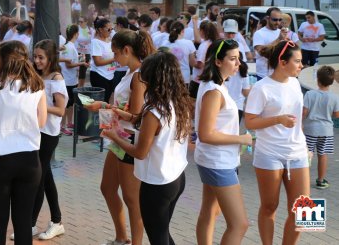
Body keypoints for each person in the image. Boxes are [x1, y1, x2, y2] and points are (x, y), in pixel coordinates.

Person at [102, 51, 192, 245]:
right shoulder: (176, 103)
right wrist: (116, 111)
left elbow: (140, 153)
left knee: (158, 238)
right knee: (163, 234)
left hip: (157, 184)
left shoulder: (154, 111)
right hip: (176, 177)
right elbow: (141, 120)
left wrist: (114, 137)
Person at [88, 30, 155, 245]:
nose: (113, 58)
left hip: (129, 139)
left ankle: (134, 241)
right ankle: (121, 237)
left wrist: (106, 107)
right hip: (119, 137)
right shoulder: (130, 72)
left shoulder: (139, 74)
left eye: (116, 53)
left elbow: (136, 116)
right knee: (107, 188)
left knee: (131, 198)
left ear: (127, 50)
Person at [0, 41, 47, 245]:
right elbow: (42, 122)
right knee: (23, 223)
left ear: (4, 60)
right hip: (29, 161)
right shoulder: (37, 85)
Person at [244, 40, 309, 245]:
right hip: (269, 153)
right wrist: (278, 119)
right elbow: (250, 122)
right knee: (270, 206)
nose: (301, 65)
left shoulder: (296, 83)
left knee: (305, 210)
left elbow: (298, 119)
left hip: (297, 152)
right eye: (297, 61)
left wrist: (305, 146)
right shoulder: (261, 88)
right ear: (282, 62)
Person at [194, 39, 252, 245]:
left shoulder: (215, 85)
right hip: (217, 161)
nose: (238, 64)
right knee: (240, 224)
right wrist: (241, 138)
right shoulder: (213, 91)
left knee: (210, 211)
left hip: (214, 159)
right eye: (233, 59)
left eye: (239, 59)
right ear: (218, 62)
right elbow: (206, 134)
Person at [24, 40, 68, 240]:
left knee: (39, 179)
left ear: (51, 58)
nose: (37, 60)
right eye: (35, 56)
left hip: (49, 134)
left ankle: (30, 225)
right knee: (46, 177)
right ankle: (56, 221)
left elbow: (60, 110)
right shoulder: (37, 75)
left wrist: (38, 105)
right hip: (36, 131)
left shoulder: (57, 79)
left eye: (41, 57)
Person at [302, 65, 339, 189]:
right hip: (326, 131)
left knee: (307, 154)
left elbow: (304, 112)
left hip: (310, 129)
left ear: (317, 79)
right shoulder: (334, 97)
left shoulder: (309, 94)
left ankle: (303, 179)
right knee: (323, 155)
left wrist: (300, 124)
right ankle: (321, 180)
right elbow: (336, 114)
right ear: (332, 81)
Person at [59, 24, 87, 135]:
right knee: (66, 104)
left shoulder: (68, 45)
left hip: (71, 79)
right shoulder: (69, 46)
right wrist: (82, 63)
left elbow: (70, 61)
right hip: (68, 80)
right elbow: (68, 65)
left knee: (71, 103)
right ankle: (62, 125)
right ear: (76, 34)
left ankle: (69, 122)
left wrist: (79, 59)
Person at [252, 7, 284, 80]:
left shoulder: (280, 32)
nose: (278, 22)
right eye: (275, 20)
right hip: (264, 75)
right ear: (267, 18)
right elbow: (262, 51)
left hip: (279, 73)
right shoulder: (259, 33)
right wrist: (279, 39)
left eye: (280, 20)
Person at [189, 21, 218, 99]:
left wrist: (192, 61)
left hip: (199, 80)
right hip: (210, 78)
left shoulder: (204, 45)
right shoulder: (214, 43)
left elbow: (200, 64)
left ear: (202, 31)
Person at [90, 18, 116, 102]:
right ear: (100, 30)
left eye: (111, 29)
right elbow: (97, 62)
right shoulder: (96, 42)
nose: (110, 31)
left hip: (110, 74)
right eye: (108, 29)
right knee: (101, 102)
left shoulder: (109, 40)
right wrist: (114, 59)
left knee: (108, 100)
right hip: (99, 75)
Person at [76, 17, 94, 88]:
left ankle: (81, 87)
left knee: (83, 71)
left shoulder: (90, 30)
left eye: (81, 21)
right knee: (77, 70)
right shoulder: (77, 28)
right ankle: (76, 86)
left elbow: (93, 41)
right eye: (79, 21)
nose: (80, 23)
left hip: (86, 53)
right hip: (78, 52)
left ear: (86, 22)